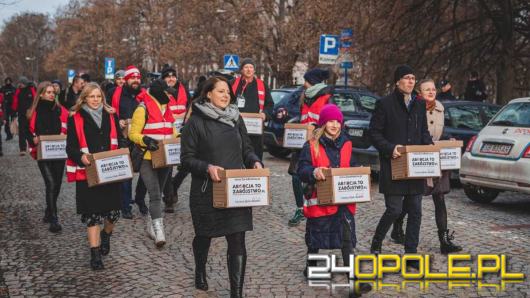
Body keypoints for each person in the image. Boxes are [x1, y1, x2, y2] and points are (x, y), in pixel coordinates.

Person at [181, 76, 262, 297]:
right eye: (221, 91)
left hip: (235, 189)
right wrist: (207, 167)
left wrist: (254, 160)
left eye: (228, 92)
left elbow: (246, 148)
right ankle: (200, 270)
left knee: (238, 237)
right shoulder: (195, 122)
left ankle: (236, 292)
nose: (226, 95)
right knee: (204, 235)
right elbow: (186, 159)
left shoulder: (236, 118)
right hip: (207, 190)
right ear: (208, 94)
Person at [297, 104, 371, 297]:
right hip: (320, 203)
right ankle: (310, 267)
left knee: (347, 241)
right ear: (323, 123)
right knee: (315, 239)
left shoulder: (347, 144)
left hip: (343, 203)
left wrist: (358, 172)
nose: (334, 125)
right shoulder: (310, 145)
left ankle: (354, 284)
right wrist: (314, 171)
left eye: (337, 121)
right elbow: (301, 169)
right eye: (330, 121)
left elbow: (351, 165)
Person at [368, 65, 433, 269]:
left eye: (414, 78)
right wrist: (390, 148)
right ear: (397, 81)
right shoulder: (384, 104)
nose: (411, 81)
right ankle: (377, 243)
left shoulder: (420, 104)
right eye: (407, 77)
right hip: (393, 164)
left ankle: (410, 253)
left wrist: (430, 147)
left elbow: (423, 131)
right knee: (394, 210)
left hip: (414, 167)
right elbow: (374, 133)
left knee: (415, 211)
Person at [391, 79, 462, 254]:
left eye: (433, 89)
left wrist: (448, 138)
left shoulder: (440, 108)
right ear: (419, 93)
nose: (431, 92)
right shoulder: (413, 108)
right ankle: (397, 225)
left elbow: (439, 131)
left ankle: (444, 241)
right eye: (426, 89)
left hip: (437, 157)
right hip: (420, 158)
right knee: (414, 200)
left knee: (440, 198)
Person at [65, 82, 126, 270]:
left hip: (110, 172)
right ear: (84, 98)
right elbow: (70, 147)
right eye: (91, 96)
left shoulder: (111, 114)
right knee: (92, 216)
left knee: (113, 214)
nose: (95, 100)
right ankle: (95, 254)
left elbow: (120, 138)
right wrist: (80, 157)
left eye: (98, 96)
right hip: (88, 173)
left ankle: (106, 235)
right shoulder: (75, 118)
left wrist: (124, 149)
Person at [128, 79, 178, 247]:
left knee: (160, 191)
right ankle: (159, 231)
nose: (169, 95)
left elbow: (172, 131)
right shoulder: (142, 109)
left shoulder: (167, 108)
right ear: (159, 92)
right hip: (147, 158)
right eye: (167, 92)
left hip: (165, 158)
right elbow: (132, 134)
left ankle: (151, 223)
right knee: (155, 194)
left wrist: (181, 138)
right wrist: (145, 139)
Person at [288, 69, 333, 227]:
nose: (303, 83)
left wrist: (316, 129)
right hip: (301, 144)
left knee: (316, 178)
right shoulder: (304, 97)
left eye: (306, 81)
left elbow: (332, 122)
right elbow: (299, 115)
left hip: (318, 145)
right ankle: (300, 209)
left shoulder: (327, 98)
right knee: (295, 176)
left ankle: (319, 209)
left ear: (312, 82)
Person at [27, 81, 69, 232]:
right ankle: (54, 219)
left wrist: (64, 134)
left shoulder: (60, 110)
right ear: (41, 94)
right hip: (43, 152)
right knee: (50, 183)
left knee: (56, 184)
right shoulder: (33, 111)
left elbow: (68, 124)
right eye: (49, 92)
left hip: (58, 152)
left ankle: (48, 210)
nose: (52, 94)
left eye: (53, 92)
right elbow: (27, 130)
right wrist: (33, 138)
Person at [109, 65, 147, 218]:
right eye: (132, 78)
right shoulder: (114, 94)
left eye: (138, 78)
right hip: (122, 138)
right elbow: (107, 112)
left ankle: (140, 198)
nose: (136, 80)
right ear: (126, 80)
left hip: (140, 138)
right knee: (126, 173)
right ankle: (125, 206)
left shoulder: (145, 95)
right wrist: (117, 121)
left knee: (145, 172)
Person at [159, 65, 190, 213]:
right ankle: (169, 199)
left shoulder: (184, 90)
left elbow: (190, 106)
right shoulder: (160, 91)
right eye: (167, 76)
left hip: (184, 132)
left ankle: (174, 185)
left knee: (186, 165)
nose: (171, 78)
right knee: (168, 167)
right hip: (168, 132)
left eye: (173, 76)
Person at [231, 58, 274, 160]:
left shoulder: (262, 85)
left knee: (255, 155)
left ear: (254, 70)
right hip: (235, 127)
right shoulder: (233, 83)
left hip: (255, 129)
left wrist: (265, 114)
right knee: (236, 154)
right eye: (246, 67)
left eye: (251, 67)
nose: (249, 70)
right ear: (241, 70)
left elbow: (270, 104)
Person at [12, 76, 36, 155]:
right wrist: (14, 111)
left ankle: (32, 145)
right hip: (21, 113)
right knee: (22, 131)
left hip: (30, 113)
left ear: (25, 83)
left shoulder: (31, 89)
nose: (20, 84)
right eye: (20, 83)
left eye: (21, 83)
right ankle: (22, 149)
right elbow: (15, 101)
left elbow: (35, 100)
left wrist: (34, 110)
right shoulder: (18, 91)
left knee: (30, 130)